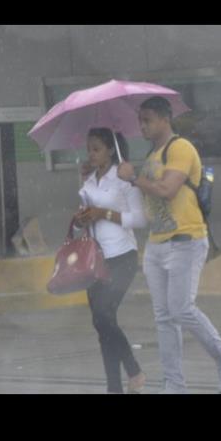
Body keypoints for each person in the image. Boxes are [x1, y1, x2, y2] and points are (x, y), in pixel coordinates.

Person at [116, 96, 221, 394]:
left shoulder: (180, 148)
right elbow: (147, 204)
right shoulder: (151, 156)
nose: (142, 126)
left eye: (147, 120)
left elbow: (167, 189)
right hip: (156, 244)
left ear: (165, 119)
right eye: (140, 120)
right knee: (164, 318)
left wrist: (134, 177)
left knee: (181, 309)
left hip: (186, 239)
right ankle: (174, 384)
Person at [74, 128, 148, 394]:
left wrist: (103, 213)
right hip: (95, 259)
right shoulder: (88, 181)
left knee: (104, 315)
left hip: (122, 257)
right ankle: (114, 387)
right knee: (101, 323)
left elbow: (139, 219)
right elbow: (84, 219)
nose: (91, 154)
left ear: (110, 150)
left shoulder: (123, 178)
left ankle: (134, 370)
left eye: (96, 148)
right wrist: (81, 218)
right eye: (88, 149)